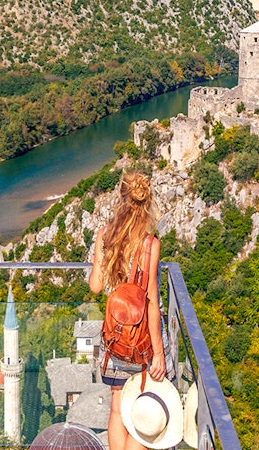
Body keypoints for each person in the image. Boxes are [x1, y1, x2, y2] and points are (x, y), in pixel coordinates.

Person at [89, 171, 165, 450]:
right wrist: (158, 352)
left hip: (115, 336)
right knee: (143, 412)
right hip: (142, 341)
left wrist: (101, 259)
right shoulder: (150, 244)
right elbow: (152, 302)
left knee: (117, 409)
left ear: (120, 198)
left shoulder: (104, 235)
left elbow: (96, 286)